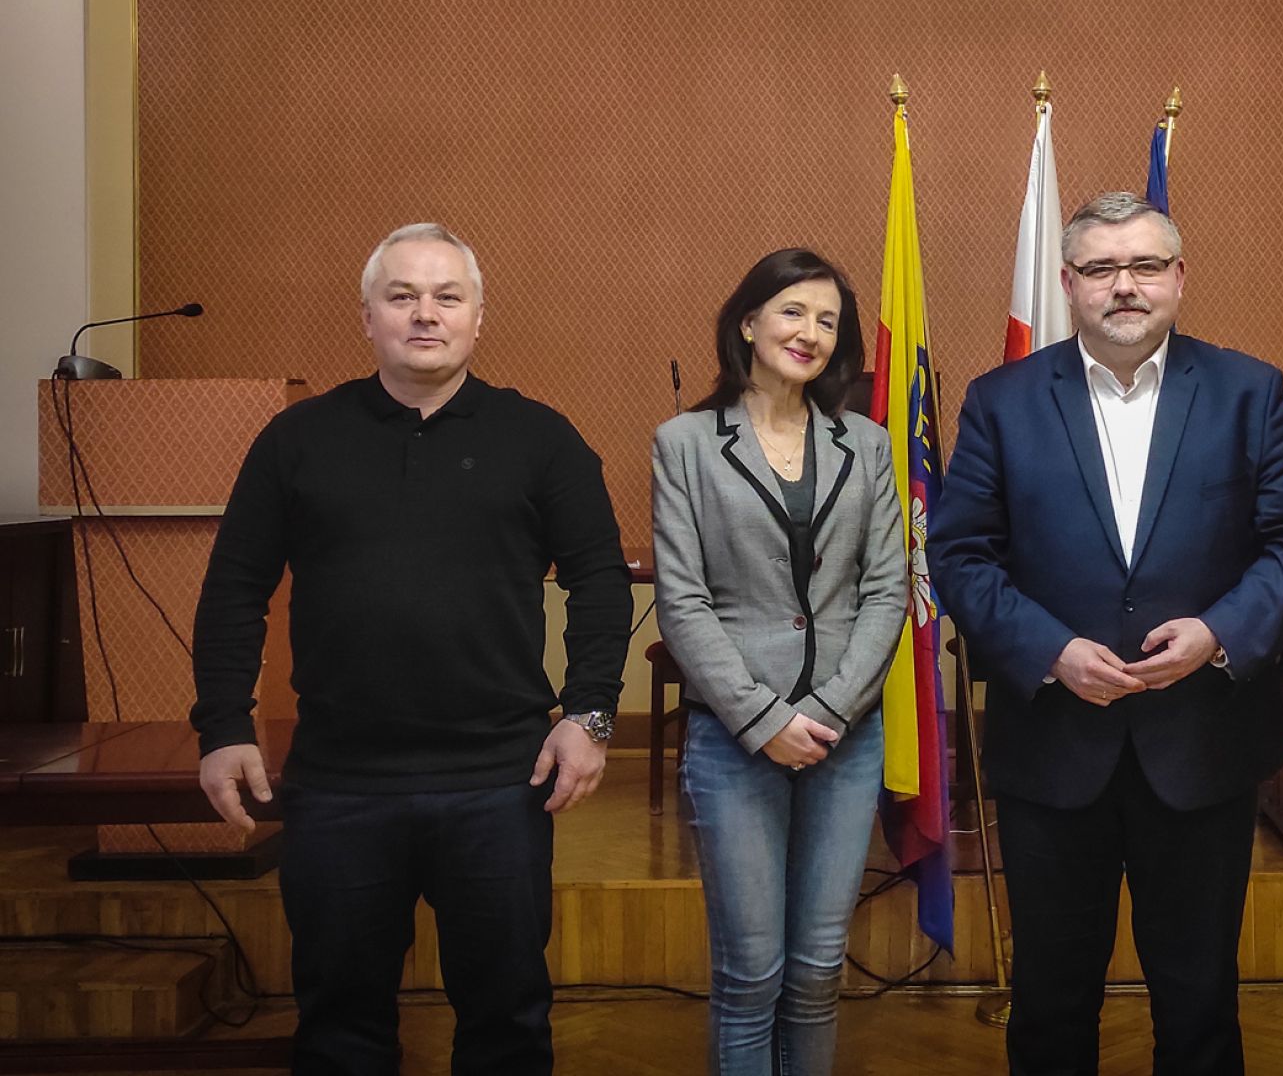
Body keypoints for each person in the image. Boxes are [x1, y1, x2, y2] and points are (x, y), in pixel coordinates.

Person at [190, 223, 633, 1076]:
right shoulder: (297, 439)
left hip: (500, 782)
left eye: (446, 296)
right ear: (367, 317)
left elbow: (601, 582)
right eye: (402, 297)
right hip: (340, 783)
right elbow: (234, 588)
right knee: (339, 1025)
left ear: (477, 317)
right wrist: (223, 726)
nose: (424, 314)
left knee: (506, 1022)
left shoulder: (542, 439)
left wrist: (590, 715)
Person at [929, 193, 1283, 1076]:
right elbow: (960, 555)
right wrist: (1049, 651)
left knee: (1198, 1004)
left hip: (1201, 747)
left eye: (1147, 265)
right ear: (1069, 283)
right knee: (1050, 1001)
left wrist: (1221, 633)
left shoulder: (1247, 391)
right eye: (1103, 269)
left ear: (1180, 279)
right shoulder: (1000, 402)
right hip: (1052, 751)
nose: (1127, 286)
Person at [651, 248, 907, 1075]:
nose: (810, 332)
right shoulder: (684, 442)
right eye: (793, 311)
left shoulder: (866, 444)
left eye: (828, 320)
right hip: (735, 736)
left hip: (845, 734)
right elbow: (684, 602)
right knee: (750, 974)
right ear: (749, 322)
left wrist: (829, 712)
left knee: (816, 971)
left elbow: (887, 591)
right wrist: (764, 721)